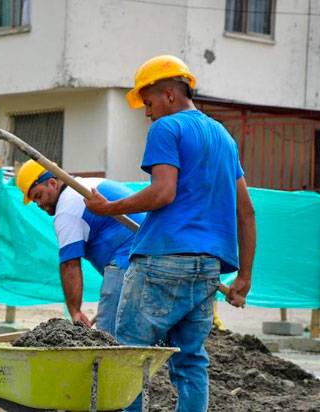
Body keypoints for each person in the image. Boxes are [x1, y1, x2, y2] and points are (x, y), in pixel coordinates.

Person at [84, 55, 256, 412]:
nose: (147, 113)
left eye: (147, 103)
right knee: (191, 361)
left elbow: (163, 192)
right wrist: (245, 275)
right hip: (208, 267)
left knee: (128, 355)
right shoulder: (224, 137)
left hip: (163, 261)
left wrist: (108, 208)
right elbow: (246, 211)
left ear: (169, 95)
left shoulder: (167, 128)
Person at [16, 160, 145, 335]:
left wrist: (75, 312)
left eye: (38, 196)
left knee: (109, 333)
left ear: (53, 183)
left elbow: (70, 265)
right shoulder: (83, 186)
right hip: (149, 253)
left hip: (128, 259)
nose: (38, 204)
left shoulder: (67, 209)